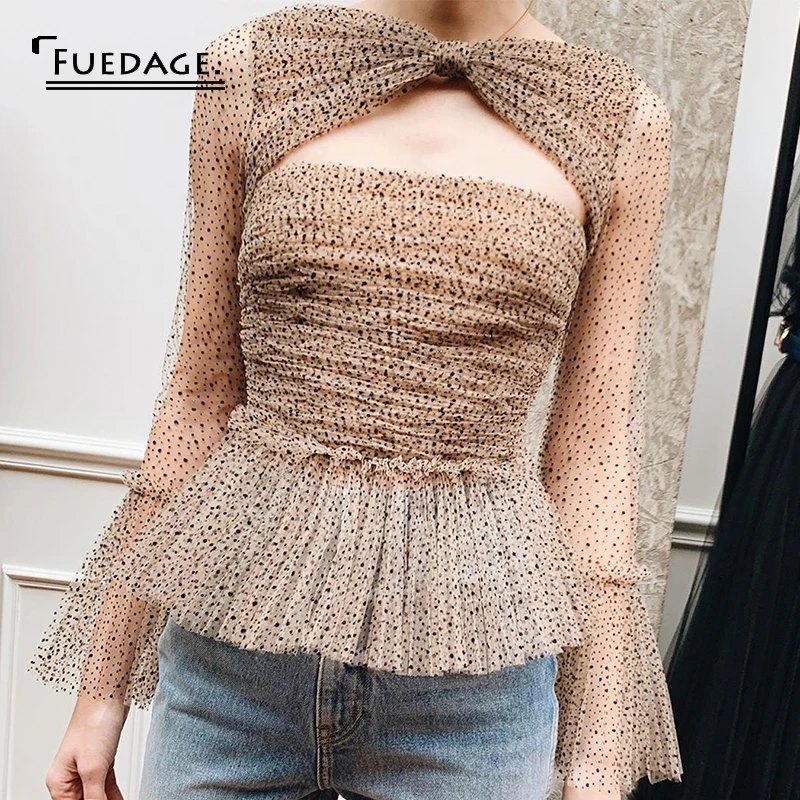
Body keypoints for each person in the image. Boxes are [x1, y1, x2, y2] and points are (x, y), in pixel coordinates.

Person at [32, 2, 683, 799]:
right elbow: (199, 397)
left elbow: (592, 450)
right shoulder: (250, 70)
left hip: (474, 691)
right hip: (230, 668)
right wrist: (101, 691)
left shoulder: (623, 123)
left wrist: (596, 763)